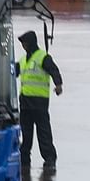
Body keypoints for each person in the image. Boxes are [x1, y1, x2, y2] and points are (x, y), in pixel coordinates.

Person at [17, 30, 62, 171]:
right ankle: (24, 159)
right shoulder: (23, 59)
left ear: (30, 43)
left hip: (39, 103)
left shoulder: (43, 57)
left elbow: (54, 70)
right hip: (25, 103)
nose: (23, 46)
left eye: (24, 43)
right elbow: (13, 71)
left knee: (43, 133)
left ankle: (49, 158)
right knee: (26, 133)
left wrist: (58, 85)